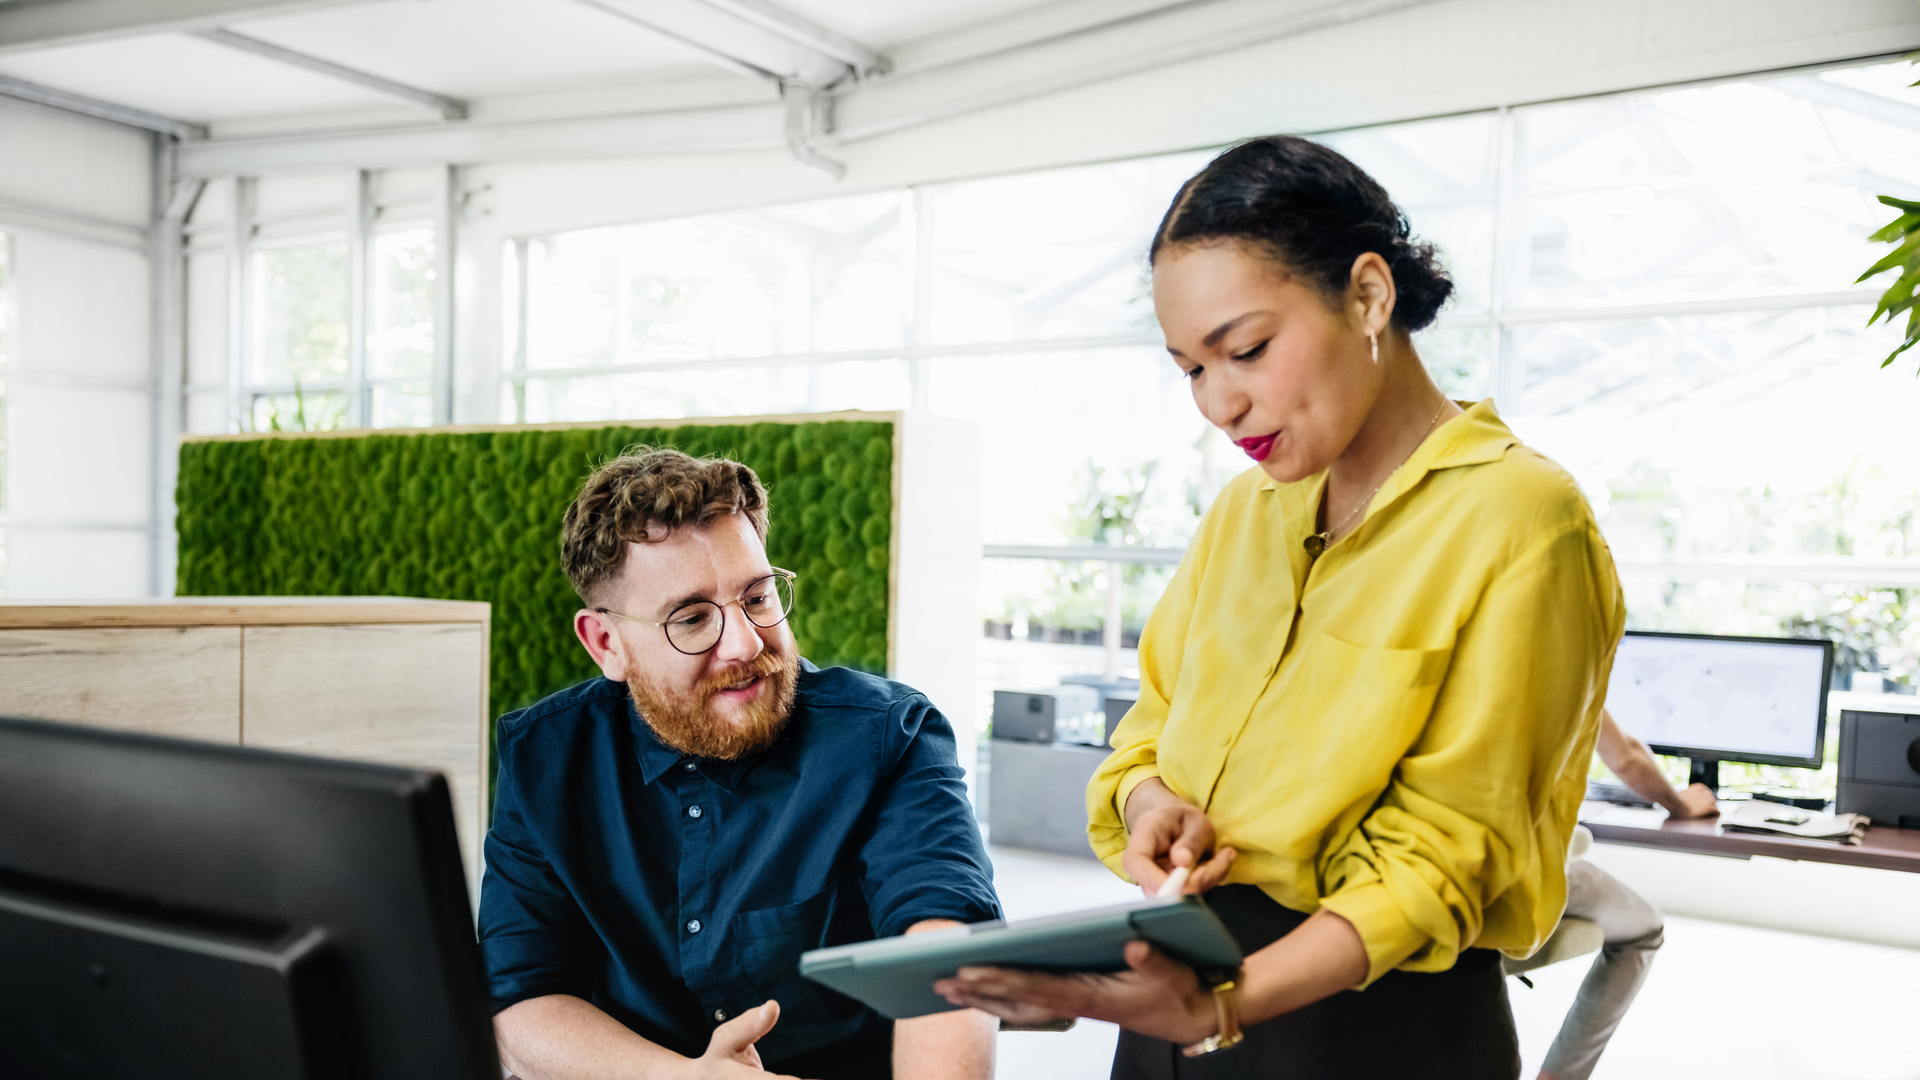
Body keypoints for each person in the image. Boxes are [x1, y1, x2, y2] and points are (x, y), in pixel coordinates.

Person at [932, 135, 1626, 1079]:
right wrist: (1152, 805)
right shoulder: (1243, 513)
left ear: (1369, 295)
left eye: (1246, 349)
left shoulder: (1523, 519)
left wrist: (1224, 1005)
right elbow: (1150, 729)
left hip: (1374, 1026)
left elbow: (1448, 858)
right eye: (1191, 369)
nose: (1218, 402)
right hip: (1178, 996)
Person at [480, 447, 1001, 1080]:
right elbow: (522, 995)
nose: (746, 643)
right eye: (693, 619)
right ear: (607, 643)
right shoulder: (548, 759)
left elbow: (947, 950)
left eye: (757, 598)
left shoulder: (888, 736)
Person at [1535, 708, 1717, 1080]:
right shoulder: (1562, 656)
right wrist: (1681, 804)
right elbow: (1626, 757)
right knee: (1646, 929)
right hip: (1526, 871)